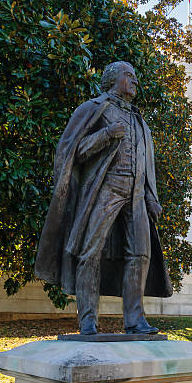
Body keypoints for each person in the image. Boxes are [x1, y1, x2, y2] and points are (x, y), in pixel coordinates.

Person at [35, 61, 172, 334]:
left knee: (140, 254)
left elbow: (145, 164)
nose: (135, 81)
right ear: (113, 79)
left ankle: (134, 321)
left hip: (135, 196)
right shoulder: (93, 108)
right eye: (129, 76)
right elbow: (73, 151)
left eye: (135, 77)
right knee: (90, 251)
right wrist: (106, 134)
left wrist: (150, 196)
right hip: (104, 189)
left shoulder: (139, 120)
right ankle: (87, 320)